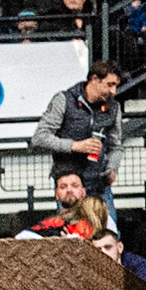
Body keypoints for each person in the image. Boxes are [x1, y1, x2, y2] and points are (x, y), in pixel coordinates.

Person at [28, 61, 123, 201]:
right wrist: (75, 146)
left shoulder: (114, 107)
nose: (113, 92)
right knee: (72, 223)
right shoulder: (64, 100)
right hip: (69, 183)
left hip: (99, 183)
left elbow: (116, 145)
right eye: (110, 85)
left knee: (106, 224)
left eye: (116, 86)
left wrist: (112, 169)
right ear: (94, 79)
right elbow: (39, 137)